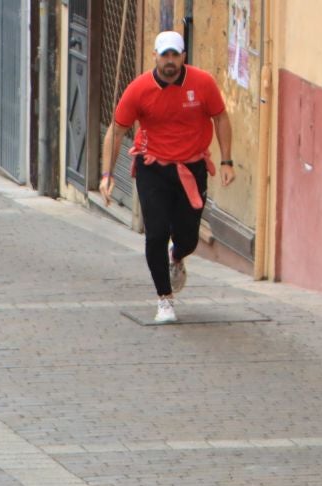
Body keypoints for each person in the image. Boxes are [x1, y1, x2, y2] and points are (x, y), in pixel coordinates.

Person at [98, 30, 232, 325]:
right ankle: (164, 299)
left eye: (175, 55)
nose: (169, 61)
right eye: (164, 55)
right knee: (156, 233)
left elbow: (221, 117)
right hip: (153, 167)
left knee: (188, 238)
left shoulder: (203, 83)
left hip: (192, 168)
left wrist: (226, 161)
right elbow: (117, 130)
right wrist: (107, 174)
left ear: (183, 56)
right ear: (155, 57)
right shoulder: (139, 89)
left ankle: (177, 255)